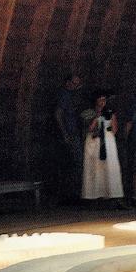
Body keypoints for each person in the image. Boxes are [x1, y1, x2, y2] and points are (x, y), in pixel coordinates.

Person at [82, 92, 124, 203]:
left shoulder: (110, 112)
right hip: (94, 142)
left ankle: (111, 194)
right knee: (94, 168)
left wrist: (110, 126)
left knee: (109, 167)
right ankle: (92, 195)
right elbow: (88, 129)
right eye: (100, 100)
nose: (102, 102)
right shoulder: (89, 113)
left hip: (107, 141)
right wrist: (96, 118)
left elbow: (114, 129)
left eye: (104, 100)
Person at [54, 72, 84, 203]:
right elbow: (58, 114)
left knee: (76, 163)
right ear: (68, 83)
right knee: (75, 163)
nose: (76, 86)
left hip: (75, 132)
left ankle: (73, 193)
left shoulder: (73, 96)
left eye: (78, 84)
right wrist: (64, 133)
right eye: (74, 83)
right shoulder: (64, 95)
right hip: (69, 134)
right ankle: (70, 194)